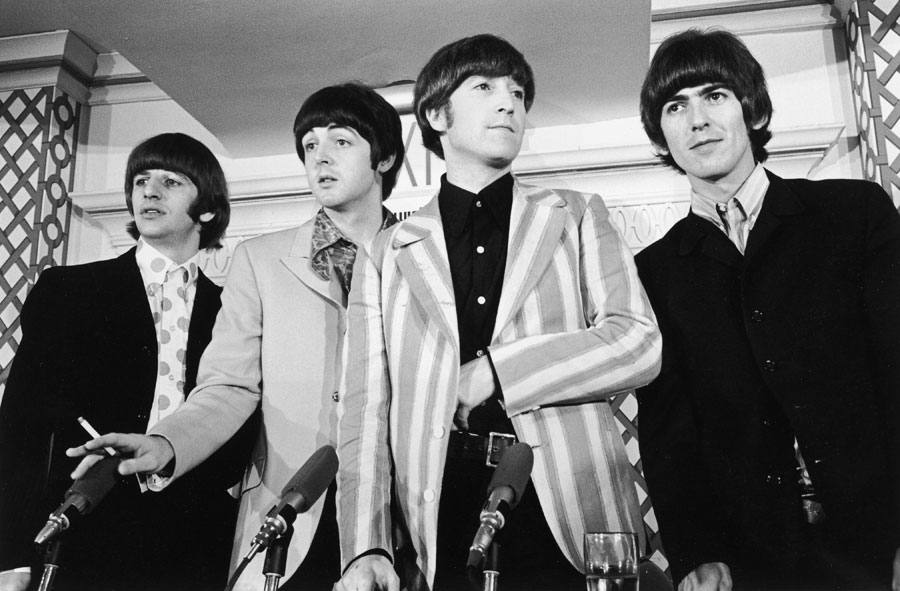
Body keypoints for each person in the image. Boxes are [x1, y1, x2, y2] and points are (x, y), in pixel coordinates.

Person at [335, 34, 662, 591]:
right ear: (437, 115)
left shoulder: (577, 215)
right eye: (484, 87)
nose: (509, 102)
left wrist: (497, 370)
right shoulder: (387, 252)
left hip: (569, 502)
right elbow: (365, 414)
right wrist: (365, 546)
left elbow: (637, 342)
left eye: (517, 92)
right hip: (439, 510)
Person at [67, 83, 405, 590]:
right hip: (287, 518)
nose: (320, 158)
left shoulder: (426, 257)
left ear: (385, 158)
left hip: (397, 518)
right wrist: (164, 443)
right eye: (309, 145)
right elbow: (228, 384)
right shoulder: (260, 260)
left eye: (340, 141)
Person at [635, 28, 900, 591]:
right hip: (749, 556)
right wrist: (694, 551)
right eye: (675, 106)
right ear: (662, 135)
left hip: (878, 536)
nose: (697, 119)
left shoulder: (854, 215)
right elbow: (668, 428)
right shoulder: (653, 270)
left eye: (715, 95)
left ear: (751, 108)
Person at [0, 132, 251, 591]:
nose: (149, 191)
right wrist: (11, 553)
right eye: (140, 180)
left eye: (171, 181)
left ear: (209, 210)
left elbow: (242, 423)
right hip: (83, 525)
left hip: (195, 540)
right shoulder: (68, 291)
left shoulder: (234, 307)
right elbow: (19, 428)